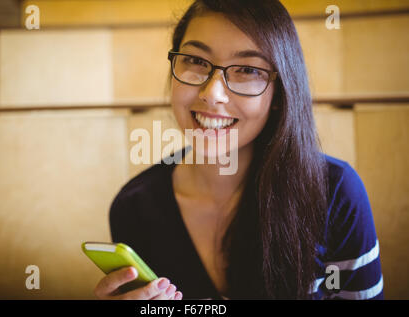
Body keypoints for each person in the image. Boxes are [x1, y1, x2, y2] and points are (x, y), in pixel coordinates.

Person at [94, 0, 384, 300]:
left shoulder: (334, 192)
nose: (212, 94)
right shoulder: (133, 208)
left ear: (279, 92)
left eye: (247, 69)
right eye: (195, 61)